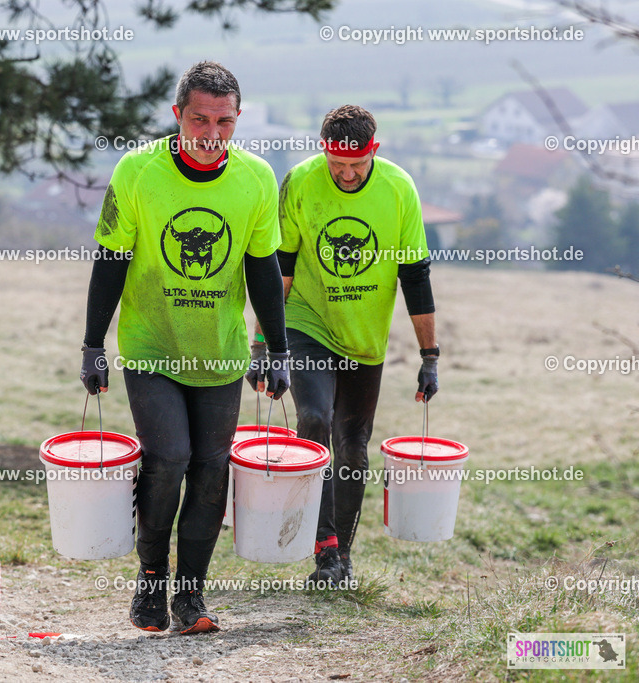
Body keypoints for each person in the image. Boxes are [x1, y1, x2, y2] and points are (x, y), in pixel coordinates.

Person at [80, 61, 290, 635]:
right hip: (151, 345)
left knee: (210, 469)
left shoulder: (256, 179)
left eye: (224, 122)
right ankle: (151, 579)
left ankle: (191, 595)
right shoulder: (137, 171)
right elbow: (111, 260)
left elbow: (263, 269)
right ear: (178, 115)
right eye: (199, 120)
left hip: (220, 351)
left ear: (238, 119)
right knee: (169, 457)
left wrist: (276, 349)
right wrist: (92, 345)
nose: (211, 134)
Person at [251, 104, 438, 584]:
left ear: (374, 150)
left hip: (364, 339)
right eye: (337, 164)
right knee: (315, 417)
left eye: (357, 164)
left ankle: (343, 558)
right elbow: (280, 269)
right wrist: (262, 345)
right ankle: (323, 545)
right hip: (306, 322)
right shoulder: (300, 182)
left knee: (353, 447)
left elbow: (415, 276)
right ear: (324, 152)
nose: (347, 174)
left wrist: (429, 357)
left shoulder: (398, 188)